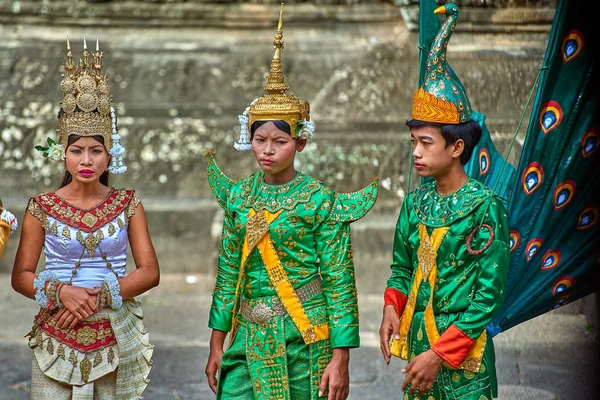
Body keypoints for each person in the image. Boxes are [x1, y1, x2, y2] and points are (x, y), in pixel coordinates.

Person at [204, 4, 379, 400]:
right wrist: (217, 342)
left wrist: (341, 358)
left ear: (300, 143)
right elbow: (229, 273)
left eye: (280, 142)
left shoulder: (320, 202)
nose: (267, 150)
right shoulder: (239, 196)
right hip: (247, 336)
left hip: (306, 336)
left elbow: (339, 281)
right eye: (259, 140)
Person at [11, 37, 159, 399]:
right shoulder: (41, 207)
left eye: (96, 150)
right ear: (62, 154)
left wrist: (99, 296)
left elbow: (150, 272)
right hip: (55, 332)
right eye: (76, 150)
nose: (86, 160)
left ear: (111, 155)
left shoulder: (128, 203)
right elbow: (20, 277)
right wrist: (61, 291)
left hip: (114, 326)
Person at [379, 3, 510, 400]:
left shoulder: (485, 206)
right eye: (413, 143)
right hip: (419, 349)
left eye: (425, 143)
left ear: (456, 147)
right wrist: (391, 309)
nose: (415, 153)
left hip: (463, 360)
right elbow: (402, 266)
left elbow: (488, 295)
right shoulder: (415, 202)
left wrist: (441, 353)